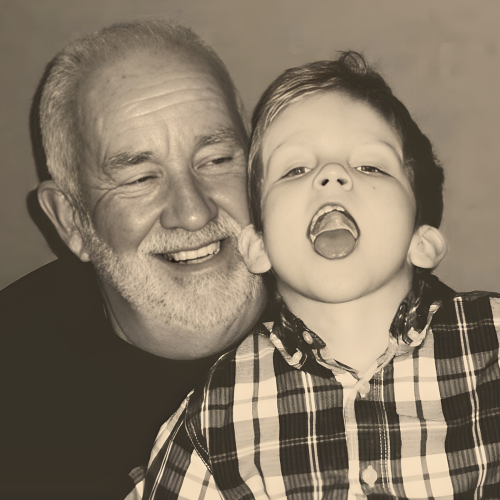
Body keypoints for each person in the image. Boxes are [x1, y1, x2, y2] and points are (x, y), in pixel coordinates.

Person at [137, 52, 500, 499]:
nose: (331, 176)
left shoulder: (493, 337)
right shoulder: (214, 413)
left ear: (421, 241)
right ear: (258, 246)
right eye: (295, 169)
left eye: (370, 166)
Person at [0, 20, 267, 499]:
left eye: (217, 160)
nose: (193, 212)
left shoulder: (372, 317)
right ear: (72, 221)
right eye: (140, 178)